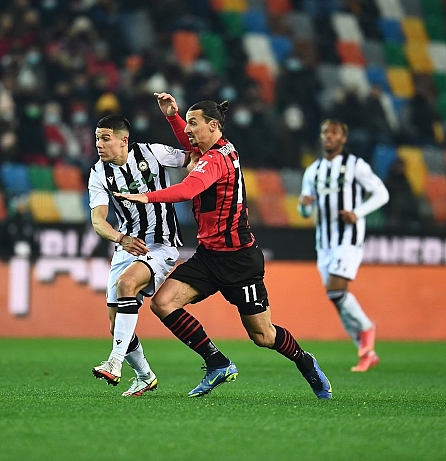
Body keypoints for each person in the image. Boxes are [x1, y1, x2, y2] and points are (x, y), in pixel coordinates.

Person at [114, 93, 332, 399]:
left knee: (263, 335)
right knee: (163, 303)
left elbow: (188, 189)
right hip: (208, 256)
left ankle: (305, 361)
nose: (187, 130)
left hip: (239, 259)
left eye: (193, 123)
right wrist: (172, 116)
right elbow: (191, 145)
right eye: (187, 124)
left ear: (213, 126)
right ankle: (217, 363)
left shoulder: (216, 159)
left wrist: (146, 196)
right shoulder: (213, 149)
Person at [89, 114, 188, 397]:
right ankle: (145, 376)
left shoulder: (153, 153)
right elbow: (98, 221)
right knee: (115, 325)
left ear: (124, 140)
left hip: (161, 244)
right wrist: (122, 239)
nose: (99, 144)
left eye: (105, 138)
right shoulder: (99, 173)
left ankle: (114, 362)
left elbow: (194, 157)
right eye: (97, 139)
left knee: (127, 284)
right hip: (126, 245)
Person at [298, 120, 390, 372]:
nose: (329, 136)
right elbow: (304, 211)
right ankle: (366, 352)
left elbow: (382, 193)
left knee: (337, 290)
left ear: (343, 139)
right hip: (324, 242)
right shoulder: (313, 170)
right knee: (335, 297)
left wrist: (357, 213)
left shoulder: (355, 165)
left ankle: (367, 329)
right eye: (325, 132)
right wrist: (304, 205)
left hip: (348, 238)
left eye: (334, 133)